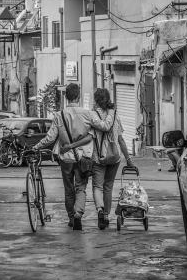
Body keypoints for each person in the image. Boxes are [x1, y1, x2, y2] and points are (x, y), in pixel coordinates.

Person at [33, 83, 116, 231]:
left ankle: (71, 217)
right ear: (78, 96)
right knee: (81, 188)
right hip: (83, 158)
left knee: (68, 189)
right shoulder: (87, 114)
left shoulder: (60, 115)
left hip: (66, 158)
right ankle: (78, 213)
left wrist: (36, 146)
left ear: (66, 97)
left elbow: (50, 138)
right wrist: (110, 113)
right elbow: (104, 127)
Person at [90, 88, 136, 230]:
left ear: (96, 100)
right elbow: (121, 139)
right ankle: (106, 216)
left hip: (99, 157)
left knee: (98, 186)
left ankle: (100, 210)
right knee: (108, 187)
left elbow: (88, 137)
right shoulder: (115, 115)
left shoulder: (93, 116)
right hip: (114, 157)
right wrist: (128, 159)